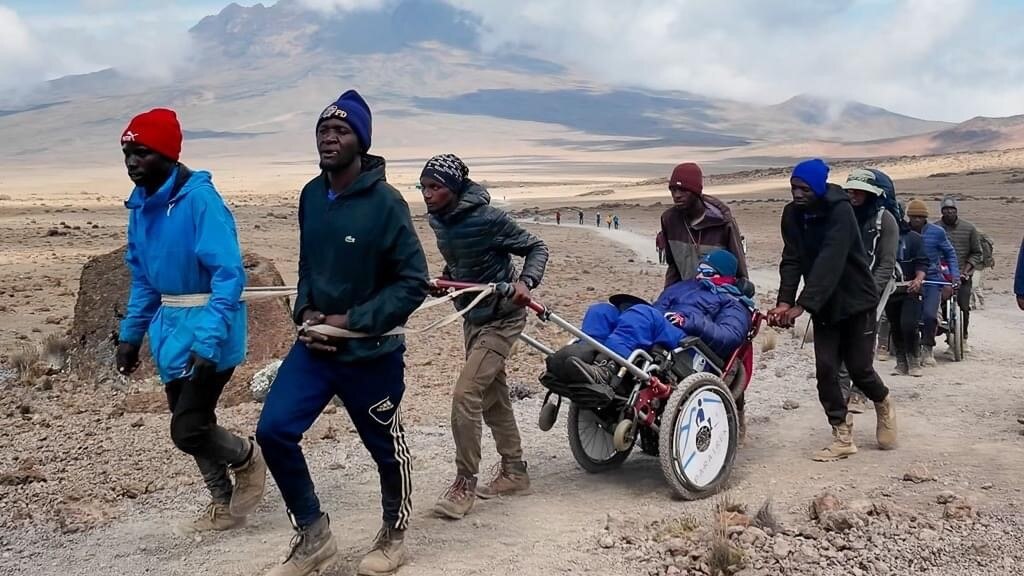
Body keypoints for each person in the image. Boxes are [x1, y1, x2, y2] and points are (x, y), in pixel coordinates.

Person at [255, 90, 429, 576]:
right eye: (323, 130)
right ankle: (313, 534)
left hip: (371, 352)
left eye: (341, 131)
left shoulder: (386, 203)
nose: (329, 138)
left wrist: (350, 322)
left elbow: (412, 281)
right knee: (274, 430)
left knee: (384, 446)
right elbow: (308, 262)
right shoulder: (311, 194)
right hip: (314, 348)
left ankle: (394, 533)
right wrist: (306, 311)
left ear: (361, 141)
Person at [114, 109, 267, 536]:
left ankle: (248, 457)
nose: (131, 162)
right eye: (126, 152)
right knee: (192, 422)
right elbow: (144, 279)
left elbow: (228, 274)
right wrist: (130, 336)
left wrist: (209, 336)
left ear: (165, 153)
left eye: (141, 152)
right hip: (171, 332)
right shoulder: (141, 207)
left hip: (209, 327)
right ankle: (223, 504)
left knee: (187, 428)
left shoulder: (201, 201)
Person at [419, 153, 549, 520]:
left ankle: (465, 483)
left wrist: (526, 282)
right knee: (493, 395)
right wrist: (445, 281)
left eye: (435, 187)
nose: (427, 194)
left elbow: (536, 247)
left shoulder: (490, 219)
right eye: (423, 187)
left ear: (454, 188)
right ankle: (514, 471)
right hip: (471, 314)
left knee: (466, 394)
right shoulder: (439, 220)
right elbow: (463, 258)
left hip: (503, 317)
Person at [768, 159, 896, 462]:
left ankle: (883, 402)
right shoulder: (792, 215)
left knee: (859, 369)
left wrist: (803, 304)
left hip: (856, 300)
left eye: (803, 188)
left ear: (818, 186)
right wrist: (785, 300)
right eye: (793, 188)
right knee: (825, 370)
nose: (797, 194)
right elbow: (792, 258)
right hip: (825, 305)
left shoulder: (841, 211)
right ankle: (842, 434)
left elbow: (831, 259)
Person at [572, 249, 751, 385]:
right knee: (601, 312)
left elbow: (729, 336)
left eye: (707, 271)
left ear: (724, 276)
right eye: (700, 269)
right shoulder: (685, 286)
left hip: (689, 342)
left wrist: (691, 322)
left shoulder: (734, 303)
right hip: (662, 325)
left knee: (644, 316)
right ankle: (582, 359)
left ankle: (609, 369)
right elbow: (659, 307)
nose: (700, 275)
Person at [839, 169, 898, 413]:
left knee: (863, 337)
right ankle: (841, 390)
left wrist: (868, 293)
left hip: (872, 289)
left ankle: (860, 390)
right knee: (840, 337)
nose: (853, 195)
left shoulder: (885, 221)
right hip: (843, 287)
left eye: (859, 191)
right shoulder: (843, 217)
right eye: (850, 190)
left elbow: (886, 263)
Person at [660, 162, 748, 287]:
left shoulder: (723, 222)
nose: (677, 195)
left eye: (683, 190)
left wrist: (743, 293)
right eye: (673, 190)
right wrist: (668, 294)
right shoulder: (669, 220)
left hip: (718, 297)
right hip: (685, 296)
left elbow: (739, 269)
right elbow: (673, 265)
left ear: (696, 192)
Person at [905, 199, 959, 367]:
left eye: (920, 217)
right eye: (913, 217)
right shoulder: (903, 232)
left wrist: (955, 276)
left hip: (933, 279)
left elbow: (950, 253)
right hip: (909, 280)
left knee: (930, 315)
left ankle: (927, 347)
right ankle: (909, 349)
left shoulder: (937, 232)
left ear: (925, 217)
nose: (917, 220)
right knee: (909, 318)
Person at [936, 197, 983, 354]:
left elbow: (977, 253)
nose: (949, 212)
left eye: (952, 209)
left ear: (956, 210)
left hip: (963, 275)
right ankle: (945, 336)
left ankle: (962, 338)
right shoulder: (934, 228)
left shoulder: (969, 229)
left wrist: (966, 270)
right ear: (942, 211)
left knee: (963, 307)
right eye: (946, 209)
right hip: (941, 275)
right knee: (937, 306)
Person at [886, 212, 929, 377]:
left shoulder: (914, 238)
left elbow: (922, 262)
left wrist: (918, 279)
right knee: (895, 326)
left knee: (909, 324)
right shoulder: (881, 238)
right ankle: (901, 361)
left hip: (911, 289)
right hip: (890, 290)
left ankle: (914, 359)